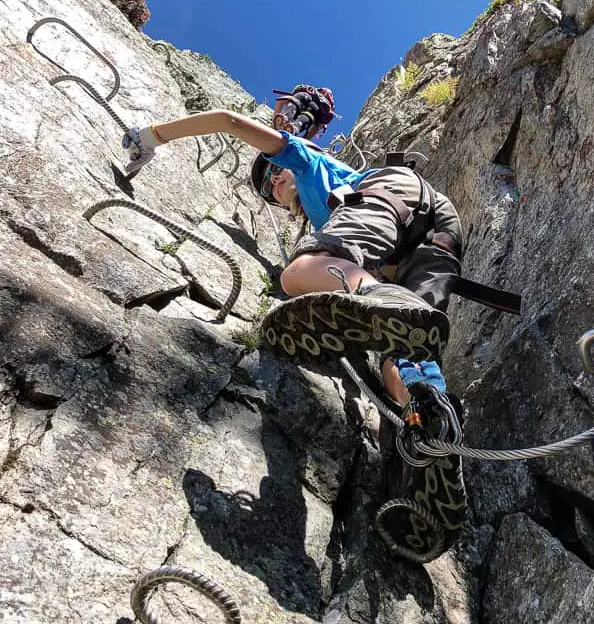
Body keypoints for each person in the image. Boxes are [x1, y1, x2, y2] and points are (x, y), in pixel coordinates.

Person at [122, 88, 463, 409]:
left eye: (272, 174)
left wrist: (151, 136)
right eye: (269, 195)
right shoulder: (326, 210)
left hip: (391, 193)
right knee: (408, 341)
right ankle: (425, 412)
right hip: (437, 232)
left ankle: (381, 298)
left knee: (297, 274)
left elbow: (227, 120)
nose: (274, 187)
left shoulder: (307, 163)